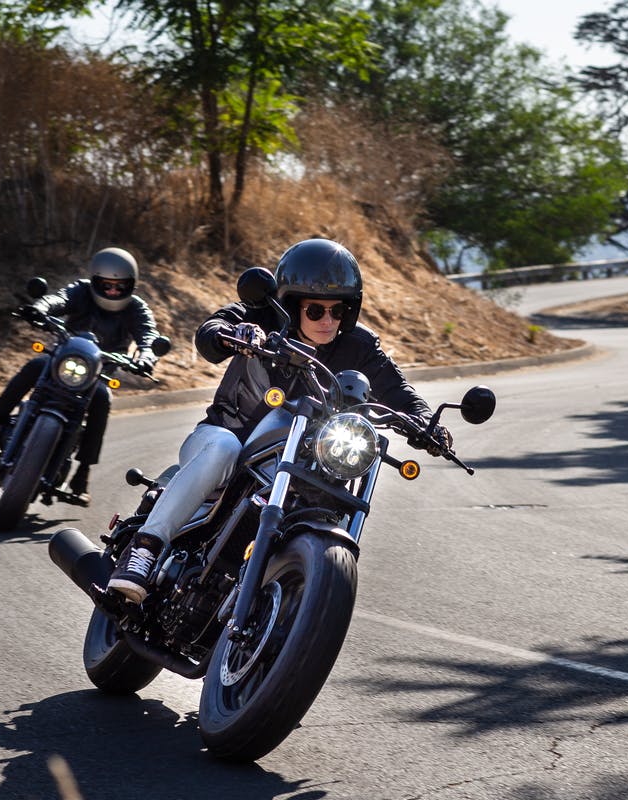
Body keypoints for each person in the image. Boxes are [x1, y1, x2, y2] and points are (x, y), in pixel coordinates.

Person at [106, 238, 451, 602]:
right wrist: (233, 335)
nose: (327, 320)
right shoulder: (259, 317)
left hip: (301, 457)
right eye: (315, 311)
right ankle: (145, 547)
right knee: (224, 446)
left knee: (333, 480)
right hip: (225, 441)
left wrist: (427, 423)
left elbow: (398, 391)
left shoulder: (360, 346)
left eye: (337, 311)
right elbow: (212, 329)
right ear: (291, 304)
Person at [0, 247, 160, 505]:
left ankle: (83, 472)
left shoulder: (136, 308)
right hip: (62, 359)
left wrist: (147, 356)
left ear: (131, 285)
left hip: (98, 373)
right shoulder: (80, 291)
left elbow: (149, 335)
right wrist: (39, 307)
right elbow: (58, 299)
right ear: (95, 281)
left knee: (102, 398)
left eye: (120, 286)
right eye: (107, 285)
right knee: (34, 366)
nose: (113, 291)